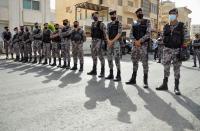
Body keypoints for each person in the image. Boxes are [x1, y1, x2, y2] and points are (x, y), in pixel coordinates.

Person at [156, 8, 190, 95]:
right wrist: (161, 40)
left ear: (177, 15)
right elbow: (162, 37)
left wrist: (183, 48)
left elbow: (187, 38)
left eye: (174, 13)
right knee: (166, 67)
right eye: (170, 14)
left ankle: (176, 87)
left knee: (176, 69)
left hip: (177, 49)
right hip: (167, 49)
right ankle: (165, 84)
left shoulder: (182, 26)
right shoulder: (166, 26)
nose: (172, 15)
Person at [126, 8, 151, 88]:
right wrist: (135, 41)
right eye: (138, 12)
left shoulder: (147, 22)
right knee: (134, 62)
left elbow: (148, 33)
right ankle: (133, 79)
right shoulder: (134, 23)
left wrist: (140, 41)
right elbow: (130, 34)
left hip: (143, 46)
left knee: (145, 63)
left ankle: (145, 81)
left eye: (141, 12)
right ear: (136, 14)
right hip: (135, 46)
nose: (140, 13)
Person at [87, 12, 106, 77]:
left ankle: (102, 72)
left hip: (99, 41)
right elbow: (92, 33)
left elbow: (105, 33)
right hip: (93, 41)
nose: (95, 16)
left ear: (98, 16)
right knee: (93, 56)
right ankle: (94, 70)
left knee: (100, 56)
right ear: (92, 17)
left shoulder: (101, 24)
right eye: (93, 15)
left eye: (96, 15)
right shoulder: (92, 24)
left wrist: (104, 42)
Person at [105, 10, 122, 81]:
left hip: (116, 42)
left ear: (116, 15)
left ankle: (118, 75)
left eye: (113, 15)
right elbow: (106, 33)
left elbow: (119, 33)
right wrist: (108, 41)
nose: (112, 16)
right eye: (111, 15)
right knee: (109, 58)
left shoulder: (119, 23)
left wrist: (112, 41)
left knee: (117, 59)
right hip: (109, 42)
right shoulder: (108, 24)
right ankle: (111, 74)